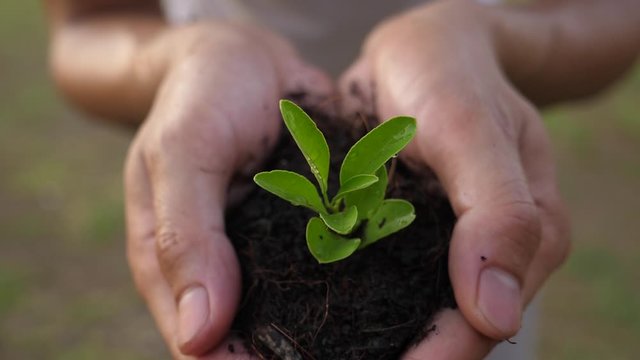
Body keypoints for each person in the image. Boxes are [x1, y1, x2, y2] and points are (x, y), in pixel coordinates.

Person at [44, 0, 639, 359]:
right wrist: (181, 59)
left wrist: (493, 40)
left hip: (463, 180)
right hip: (218, 179)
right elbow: (87, 23)